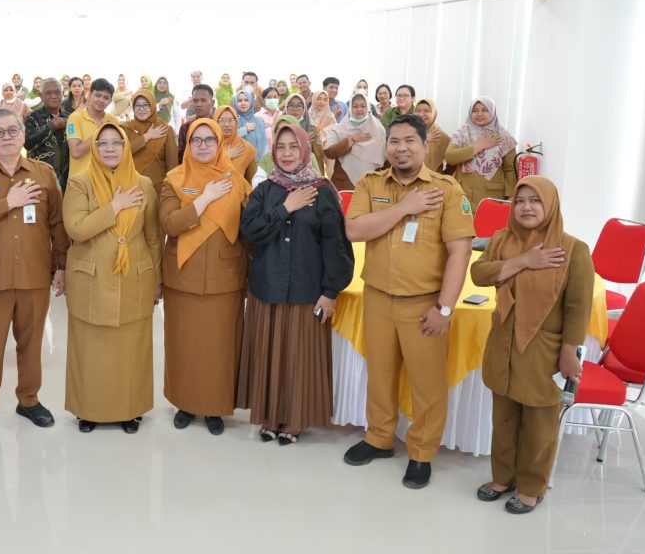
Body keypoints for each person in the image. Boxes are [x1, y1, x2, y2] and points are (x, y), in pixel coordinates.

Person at [341, 114, 474, 489]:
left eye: (409, 141)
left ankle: (421, 452)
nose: (401, 148)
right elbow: (354, 230)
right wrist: (403, 208)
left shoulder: (447, 190)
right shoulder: (371, 184)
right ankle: (379, 438)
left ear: (425, 145)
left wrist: (444, 307)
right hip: (378, 296)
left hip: (423, 303)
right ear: (386, 148)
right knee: (379, 374)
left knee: (427, 383)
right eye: (394, 141)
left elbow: (459, 253)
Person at [472, 176, 593, 514]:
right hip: (503, 344)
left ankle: (532, 487)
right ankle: (502, 478)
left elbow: (578, 307)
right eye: (520, 201)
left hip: (544, 351)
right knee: (504, 418)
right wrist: (522, 261)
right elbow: (479, 275)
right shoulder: (501, 240)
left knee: (540, 424)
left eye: (535, 201)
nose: (526, 207)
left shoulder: (572, 250)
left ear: (550, 205)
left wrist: (570, 351)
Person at [237, 122, 354, 444]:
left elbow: (336, 246)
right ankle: (270, 416)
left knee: (298, 358)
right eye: (281, 147)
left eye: (294, 147)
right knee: (269, 355)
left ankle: (295, 420)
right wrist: (285, 208)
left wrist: (330, 292)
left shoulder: (323, 190)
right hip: (267, 289)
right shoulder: (265, 190)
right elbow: (251, 232)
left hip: (306, 291)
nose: (287, 154)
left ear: (305, 150)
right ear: (273, 151)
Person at [0, 109, 69, 434]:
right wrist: (9, 202)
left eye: (12, 131)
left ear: (23, 135)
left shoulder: (44, 173)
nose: (6, 137)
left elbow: (58, 223)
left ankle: (29, 400)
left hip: (34, 277)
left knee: (31, 342)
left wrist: (61, 265)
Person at [63, 123, 162, 432]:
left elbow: (153, 237)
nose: (109, 149)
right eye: (102, 143)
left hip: (135, 274)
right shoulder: (80, 182)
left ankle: (130, 409)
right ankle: (87, 410)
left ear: (125, 147)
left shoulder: (143, 184)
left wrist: (157, 278)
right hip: (91, 277)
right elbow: (76, 228)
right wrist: (115, 207)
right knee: (90, 348)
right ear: (94, 148)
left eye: (116, 143)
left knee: (131, 348)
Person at [160, 118, 252, 436]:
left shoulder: (237, 181)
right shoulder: (173, 178)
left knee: (220, 347)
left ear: (218, 143)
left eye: (208, 140)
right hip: (182, 276)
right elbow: (170, 224)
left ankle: (215, 406)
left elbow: (249, 232)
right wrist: (204, 198)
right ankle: (185, 403)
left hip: (225, 276)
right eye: (195, 140)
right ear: (187, 144)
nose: (201, 146)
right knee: (183, 344)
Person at [445, 96, 518, 211]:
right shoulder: (462, 133)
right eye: (475, 110)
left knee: (488, 227)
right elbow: (450, 157)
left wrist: (510, 196)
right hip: (462, 193)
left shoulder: (504, 138)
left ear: (492, 112)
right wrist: (478, 146)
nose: (479, 114)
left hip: (492, 196)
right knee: (461, 227)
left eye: (484, 110)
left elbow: (510, 170)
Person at [322, 93, 388, 190]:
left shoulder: (378, 129)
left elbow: (385, 158)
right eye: (355, 106)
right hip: (344, 185)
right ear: (350, 108)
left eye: (363, 106)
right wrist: (351, 139)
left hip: (371, 185)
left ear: (368, 107)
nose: (359, 109)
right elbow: (329, 152)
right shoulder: (339, 128)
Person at [121, 89, 179, 188]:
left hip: (158, 189)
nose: (141, 109)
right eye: (138, 105)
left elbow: (172, 165)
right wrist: (147, 136)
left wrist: (170, 189)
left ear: (152, 106)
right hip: (131, 188)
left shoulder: (165, 129)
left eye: (145, 105)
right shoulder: (125, 128)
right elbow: (121, 154)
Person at [24, 79, 70, 190]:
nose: (54, 96)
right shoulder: (32, 117)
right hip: (41, 179)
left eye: (57, 92)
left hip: (67, 179)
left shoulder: (70, 117)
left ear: (63, 94)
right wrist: (51, 126)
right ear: (41, 96)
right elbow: (28, 144)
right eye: (48, 93)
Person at [66, 78, 118, 177]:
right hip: (80, 182)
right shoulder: (74, 118)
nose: (101, 100)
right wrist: (101, 131)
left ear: (110, 101)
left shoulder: (114, 121)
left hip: (105, 180)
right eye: (97, 95)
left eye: (106, 98)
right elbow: (76, 152)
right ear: (89, 95)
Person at [213, 105, 258, 184]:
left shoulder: (246, 148)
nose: (227, 124)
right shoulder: (208, 146)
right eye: (222, 120)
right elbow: (207, 173)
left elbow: (250, 179)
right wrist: (226, 157)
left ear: (236, 122)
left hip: (239, 194)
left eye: (231, 120)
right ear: (216, 122)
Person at [176, 83, 215, 164]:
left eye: (203, 100)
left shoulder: (219, 126)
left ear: (212, 103)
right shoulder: (185, 128)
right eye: (195, 100)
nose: (198, 104)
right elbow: (182, 159)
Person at [414, 98, 451, 174]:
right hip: (408, 179)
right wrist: (423, 138)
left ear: (433, 113)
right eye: (418, 110)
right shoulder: (408, 131)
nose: (421, 114)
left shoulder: (440, 135)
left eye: (426, 111)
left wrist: (444, 176)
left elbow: (452, 160)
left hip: (432, 181)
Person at [234, 89, 267, 159]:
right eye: (239, 101)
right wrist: (244, 130)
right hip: (240, 163)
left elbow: (264, 142)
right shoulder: (232, 120)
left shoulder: (259, 121)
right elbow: (228, 139)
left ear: (251, 102)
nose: (243, 103)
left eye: (246, 100)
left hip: (258, 163)